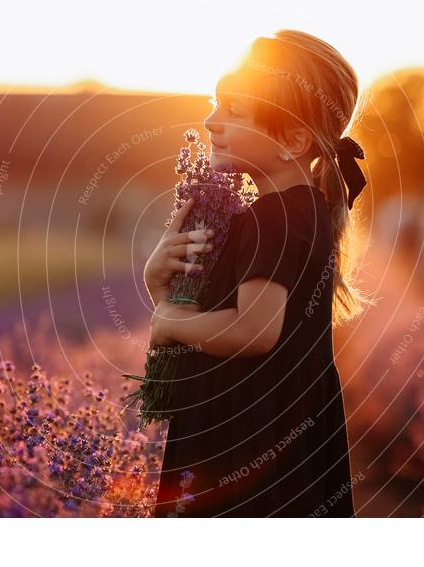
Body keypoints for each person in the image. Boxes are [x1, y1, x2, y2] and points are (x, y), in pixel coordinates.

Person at [143, 30, 376, 517]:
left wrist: (168, 322)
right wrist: (160, 284)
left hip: (248, 442)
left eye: (234, 111)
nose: (211, 121)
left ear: (292, 138)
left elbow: (251, 331)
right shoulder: (301, 210)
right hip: (283, 433)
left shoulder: (273, 218)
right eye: (215, 103)